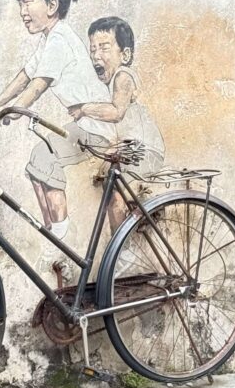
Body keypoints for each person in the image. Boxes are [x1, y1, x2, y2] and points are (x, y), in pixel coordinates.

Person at [0, 0, 111, 268]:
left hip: (98, 126)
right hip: (84, 125)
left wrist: (12, 110)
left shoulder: (61, 40)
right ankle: (53, 229)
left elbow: (39, 85)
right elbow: (25, 75)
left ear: (52, 5)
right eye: (19, 4)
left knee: (46, 158)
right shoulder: (49, 39)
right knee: (38, 162)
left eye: (27, 1)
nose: (22, 10)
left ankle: (60, 230)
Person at [68, 16, 165, 232]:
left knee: (114, 190)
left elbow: (116, 112)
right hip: (132, 148)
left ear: (125, 54)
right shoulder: (113, 81)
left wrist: (84, 108)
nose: (96, 55)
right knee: (110, 185)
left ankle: (123, 243)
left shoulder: (123, 75)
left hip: (145, 149)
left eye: (104, 48)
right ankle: (127, 233)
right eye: (93, 49)